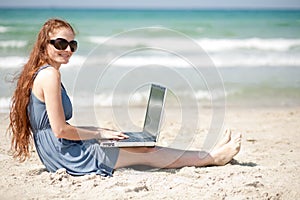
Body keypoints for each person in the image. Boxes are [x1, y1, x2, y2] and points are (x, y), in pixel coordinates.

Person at [7, 18, 241, 177]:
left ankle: (207, 154)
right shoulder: (50, 76)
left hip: (58, 152)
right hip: (67, 156)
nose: (68, 49)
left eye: (72, 44)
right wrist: (98, 134)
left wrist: (100, 130)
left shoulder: (43, 73)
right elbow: (60, 131)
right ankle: (211, 157)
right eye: (61, 43)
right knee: (147, 152)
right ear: (44, 45)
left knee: (136, 144)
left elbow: (59, 127)